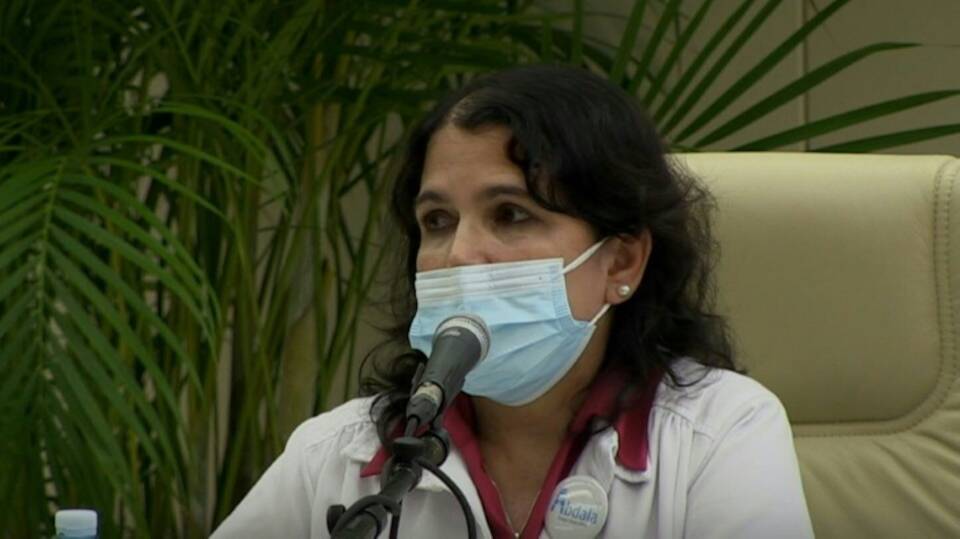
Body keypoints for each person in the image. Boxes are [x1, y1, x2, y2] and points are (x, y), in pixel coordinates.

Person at [212, 65, 814, 538]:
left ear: (621, 262)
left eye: (511, 214)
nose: (458, 254)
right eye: (438, 220)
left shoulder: (720, 432)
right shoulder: (335, 454)